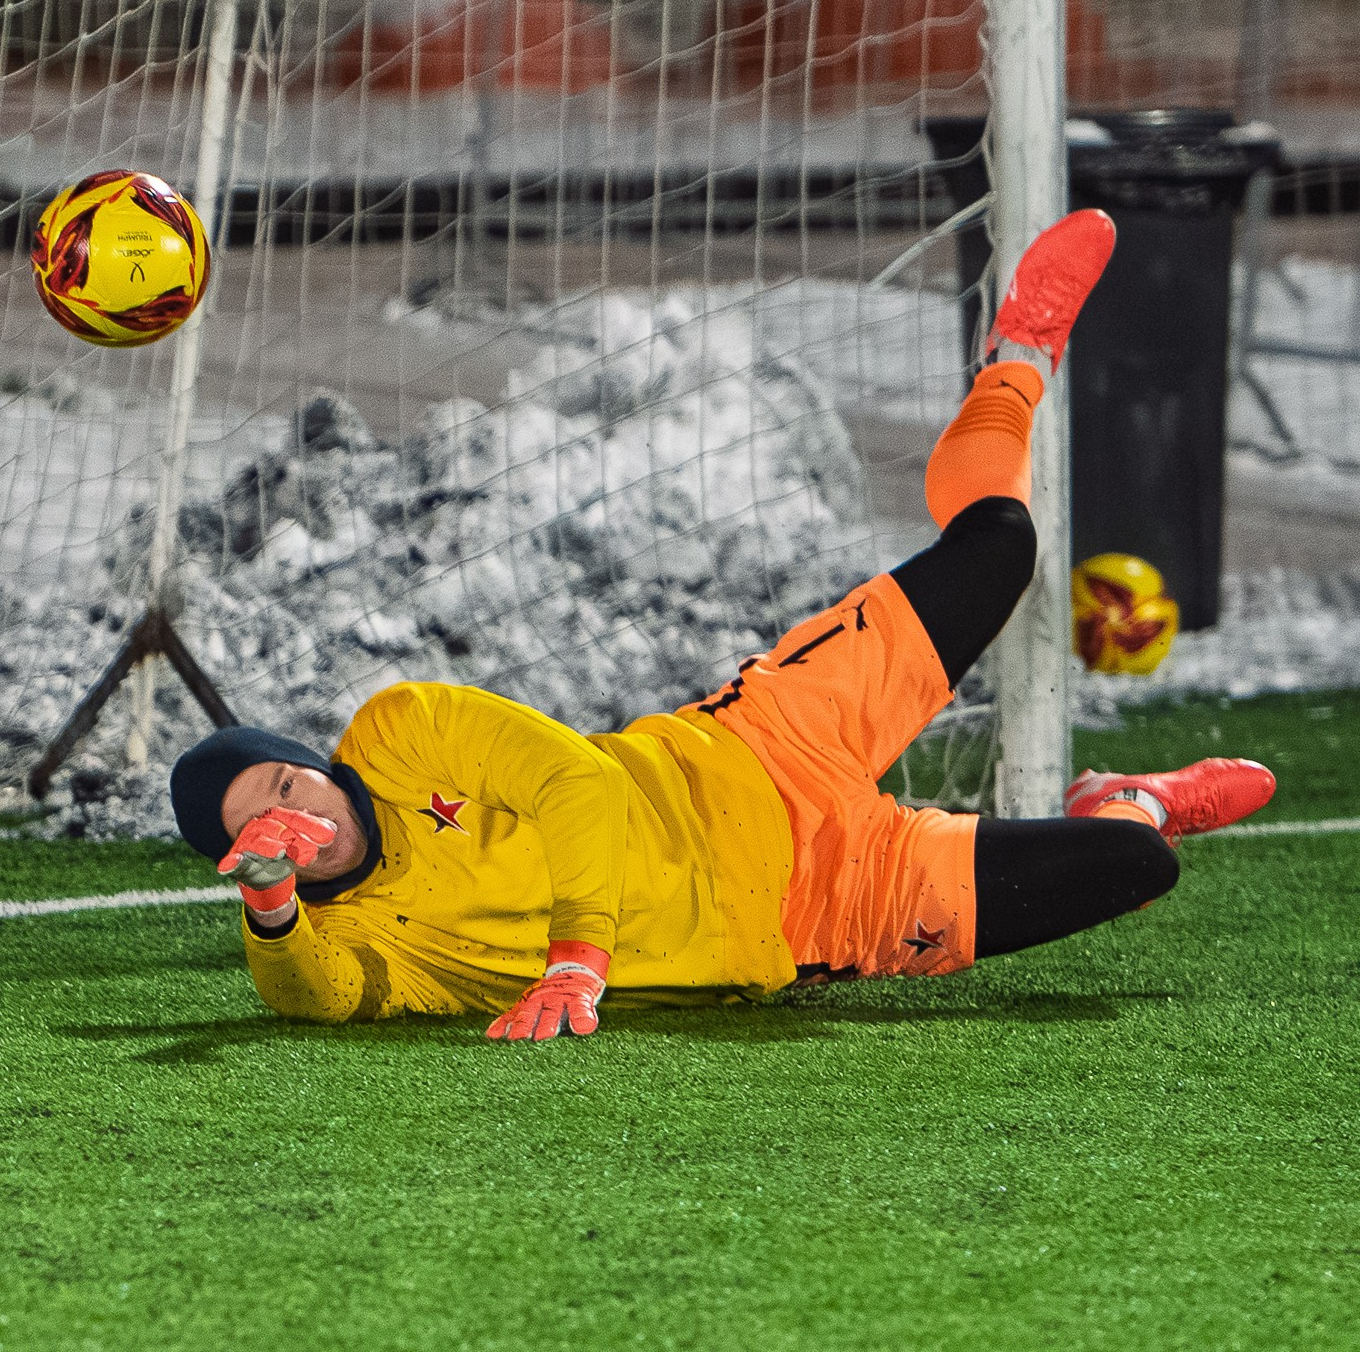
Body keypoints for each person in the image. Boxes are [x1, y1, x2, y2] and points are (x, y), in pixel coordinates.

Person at [169, 214, 1275, 1040]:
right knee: (1131, 864)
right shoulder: (368, 940)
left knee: (999, 549)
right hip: (810, 913)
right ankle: (1127, 796)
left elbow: (578, 788)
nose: (287, 817)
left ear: (306, 765)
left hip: (755, 747)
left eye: (278, 784)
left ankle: (1018, 361)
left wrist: (578, 959)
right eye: (255, 829)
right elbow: (319, 1001)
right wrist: (273, 911)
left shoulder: (401, 730)